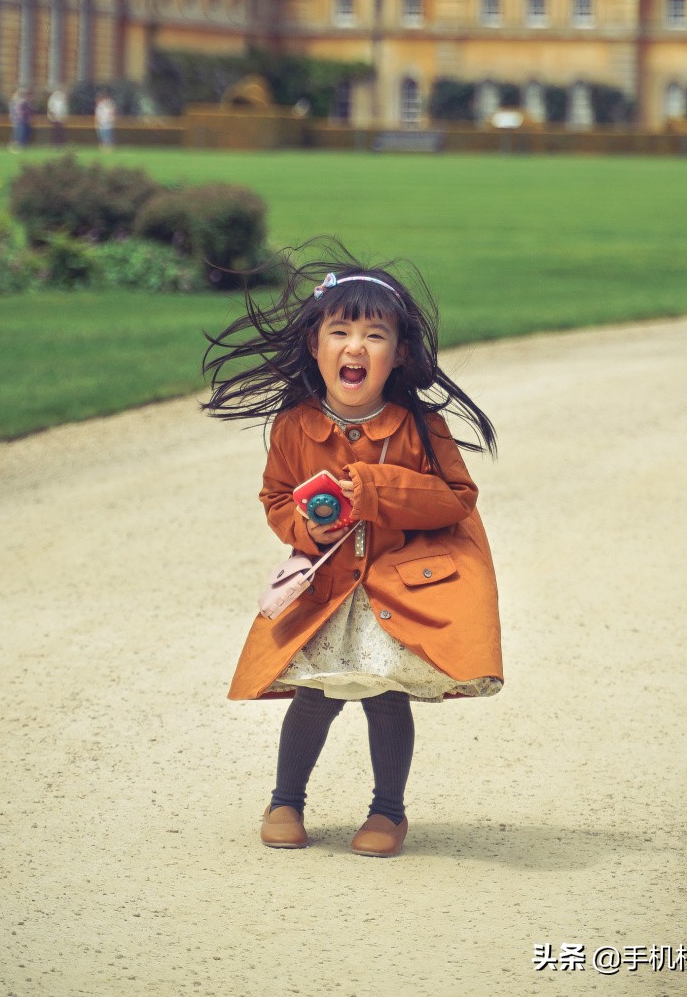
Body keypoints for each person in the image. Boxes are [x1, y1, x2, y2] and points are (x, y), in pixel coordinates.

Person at [203, 248, 501, 858]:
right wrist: (303, 525)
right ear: (316, 346)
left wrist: (373, 489)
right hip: (328, 588)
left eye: (374, 334)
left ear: (400, 353)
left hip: (395, 590)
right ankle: (285, 800)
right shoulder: (294, 425)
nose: (355, 346)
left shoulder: (421, 427)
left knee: (387, 696)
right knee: (313, 697)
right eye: (339, 332)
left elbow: (457, 499)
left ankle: (389, 813)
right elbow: (276, 496)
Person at [8, 87, 32, 152]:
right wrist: (20, 116)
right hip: (18, 120)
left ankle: (18, 146)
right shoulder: (16, 101)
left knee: (19, 134)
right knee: (17, 134)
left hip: (20, 120)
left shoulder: (20, 101)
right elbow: (17, 111)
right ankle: (14, 147)